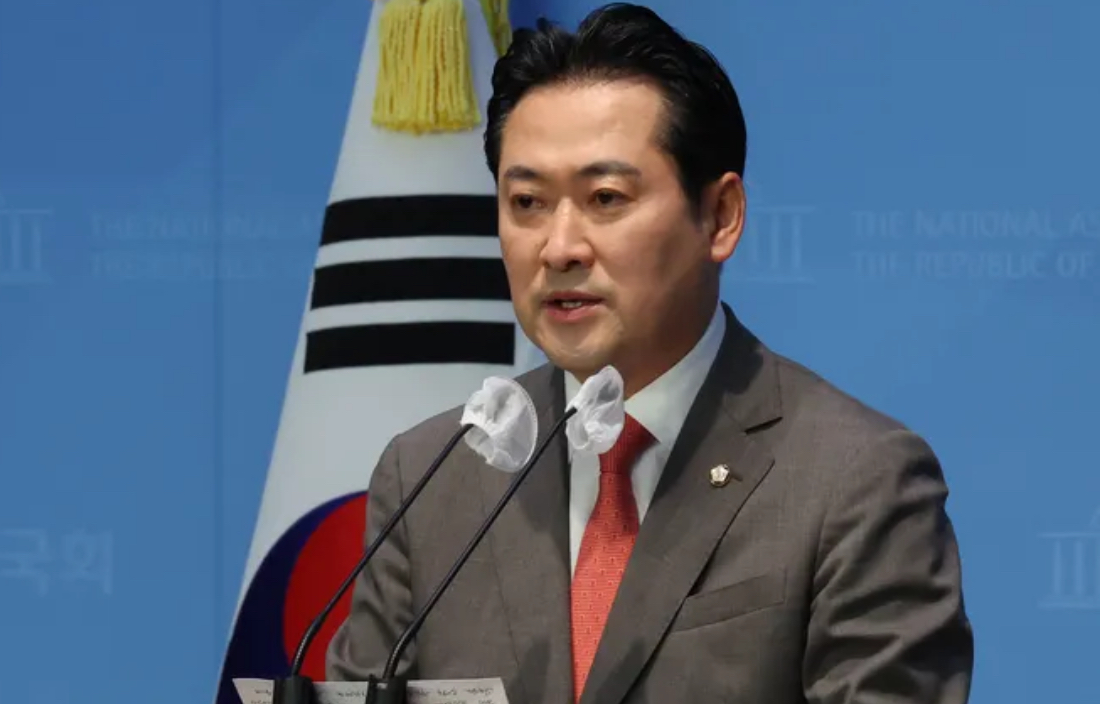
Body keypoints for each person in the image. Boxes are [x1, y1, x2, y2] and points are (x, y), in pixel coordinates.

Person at [326, 3, 974, 702]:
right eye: (527, 203)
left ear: (720, 217)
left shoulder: (853, 481)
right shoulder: (433, 476)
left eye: (606, 198)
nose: (559, 248)